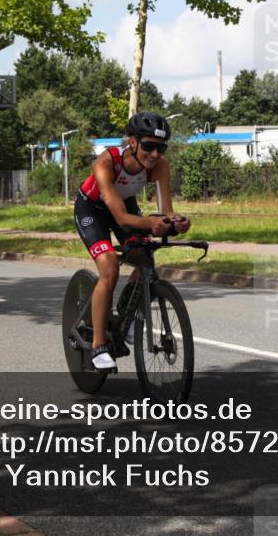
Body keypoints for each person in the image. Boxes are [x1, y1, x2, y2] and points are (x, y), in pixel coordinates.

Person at [73, 112, 190, 370]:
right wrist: (150, 223)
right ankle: (98, 344)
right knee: (109, 268)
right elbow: (122, 220)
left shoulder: (160, 166)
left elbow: (165, 211)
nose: (155, 154)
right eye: (148, 145)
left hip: (124, 205)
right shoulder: (107, 163)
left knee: (145, 260)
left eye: (161, 147)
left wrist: (176, 222)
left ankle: (127, 311)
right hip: (93, 209)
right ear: (133, 142)